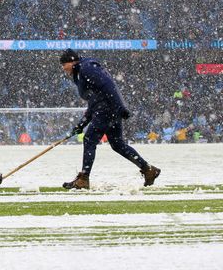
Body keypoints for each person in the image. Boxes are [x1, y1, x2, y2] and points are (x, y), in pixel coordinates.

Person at [59, 48, 160, 189]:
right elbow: (93, 101)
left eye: (64, 64)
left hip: (106, 110)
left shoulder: (86, 68)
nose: (63, 68)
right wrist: (81, 124)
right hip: (107, 109)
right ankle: (148, 169)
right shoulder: (80, 72)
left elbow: (109, 86)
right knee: (117, 144)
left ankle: (84, 178)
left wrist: (120, 107)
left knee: (89, 140)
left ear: (72, 61)